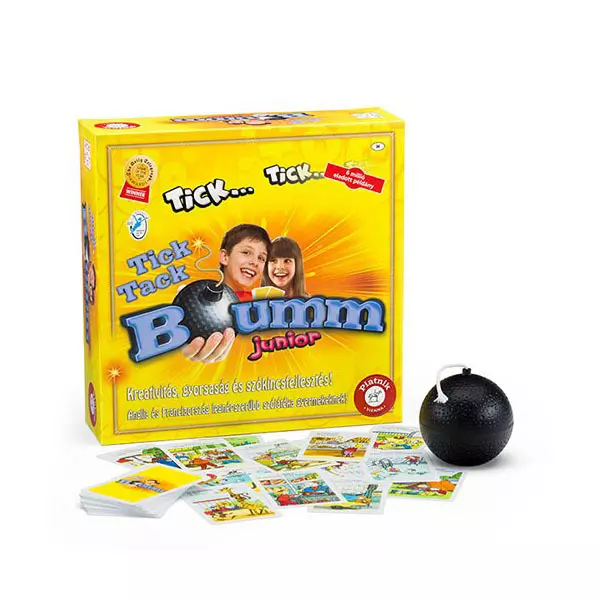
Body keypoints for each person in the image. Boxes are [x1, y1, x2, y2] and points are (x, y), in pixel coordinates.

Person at [182, 224, 271, 363]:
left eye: (261, 258)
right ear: (225, 257)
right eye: (246, 252)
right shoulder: (194, 295)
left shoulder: (258, 304)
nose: (255, 262)